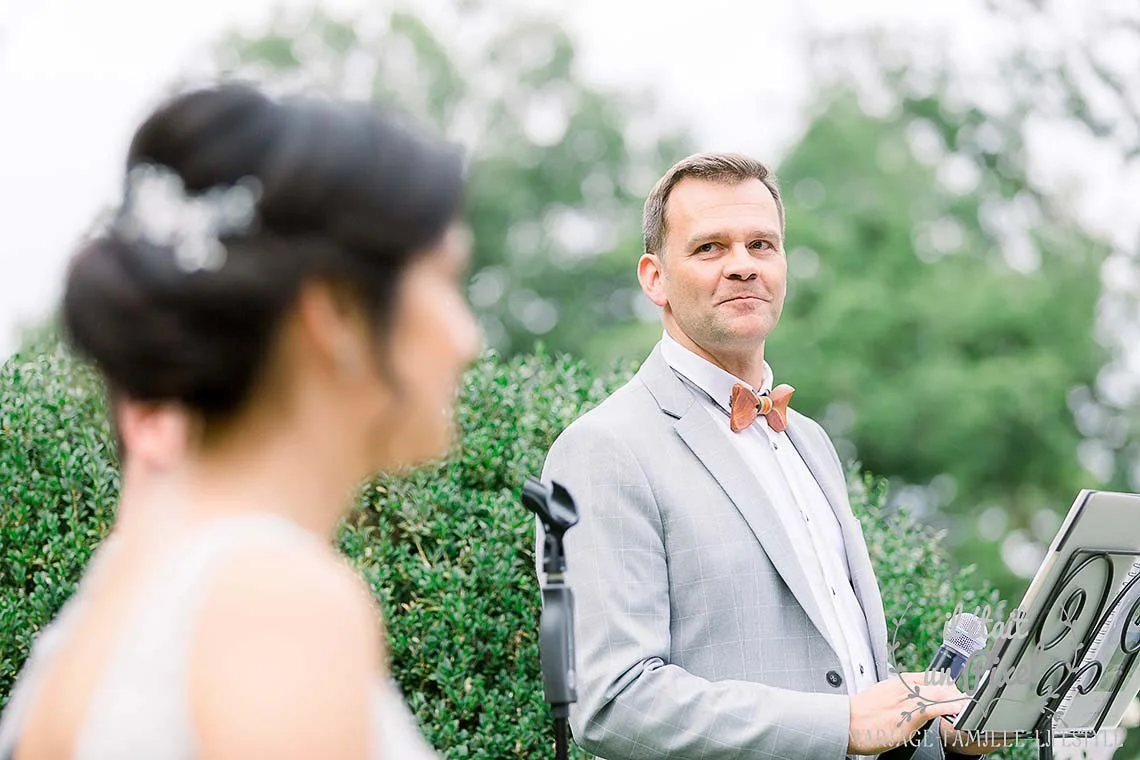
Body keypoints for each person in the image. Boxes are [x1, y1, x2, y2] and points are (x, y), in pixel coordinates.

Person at [0, 81, 480, 759]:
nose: (468, 339)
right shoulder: (272, 603)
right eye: (443, 279)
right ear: (336, 312)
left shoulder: (126, 581)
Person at [539, 152, 1003, 759]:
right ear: (655, 278)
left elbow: (844, 685)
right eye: (710, 248)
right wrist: (840, 725)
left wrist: (933, 730)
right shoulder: (606, 449)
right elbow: (614, 702)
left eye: (762, 245)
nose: (742, 266)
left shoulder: (810, 441)